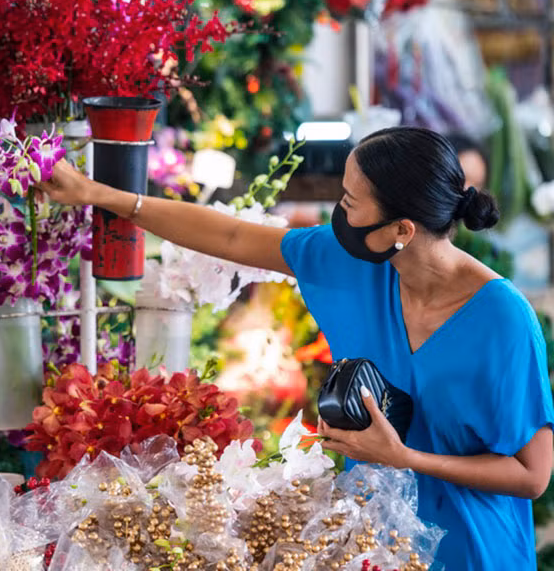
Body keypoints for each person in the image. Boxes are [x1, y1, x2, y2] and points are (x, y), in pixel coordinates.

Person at [42, 126, 554, 570]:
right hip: (374, 547)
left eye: (352, 203)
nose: (340, 212)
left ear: (402, 230)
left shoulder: (502, 320)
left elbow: (533, 475)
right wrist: (103, 195)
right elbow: (233, 237)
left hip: (474, 553)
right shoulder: (357, 262)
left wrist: (405, 458)